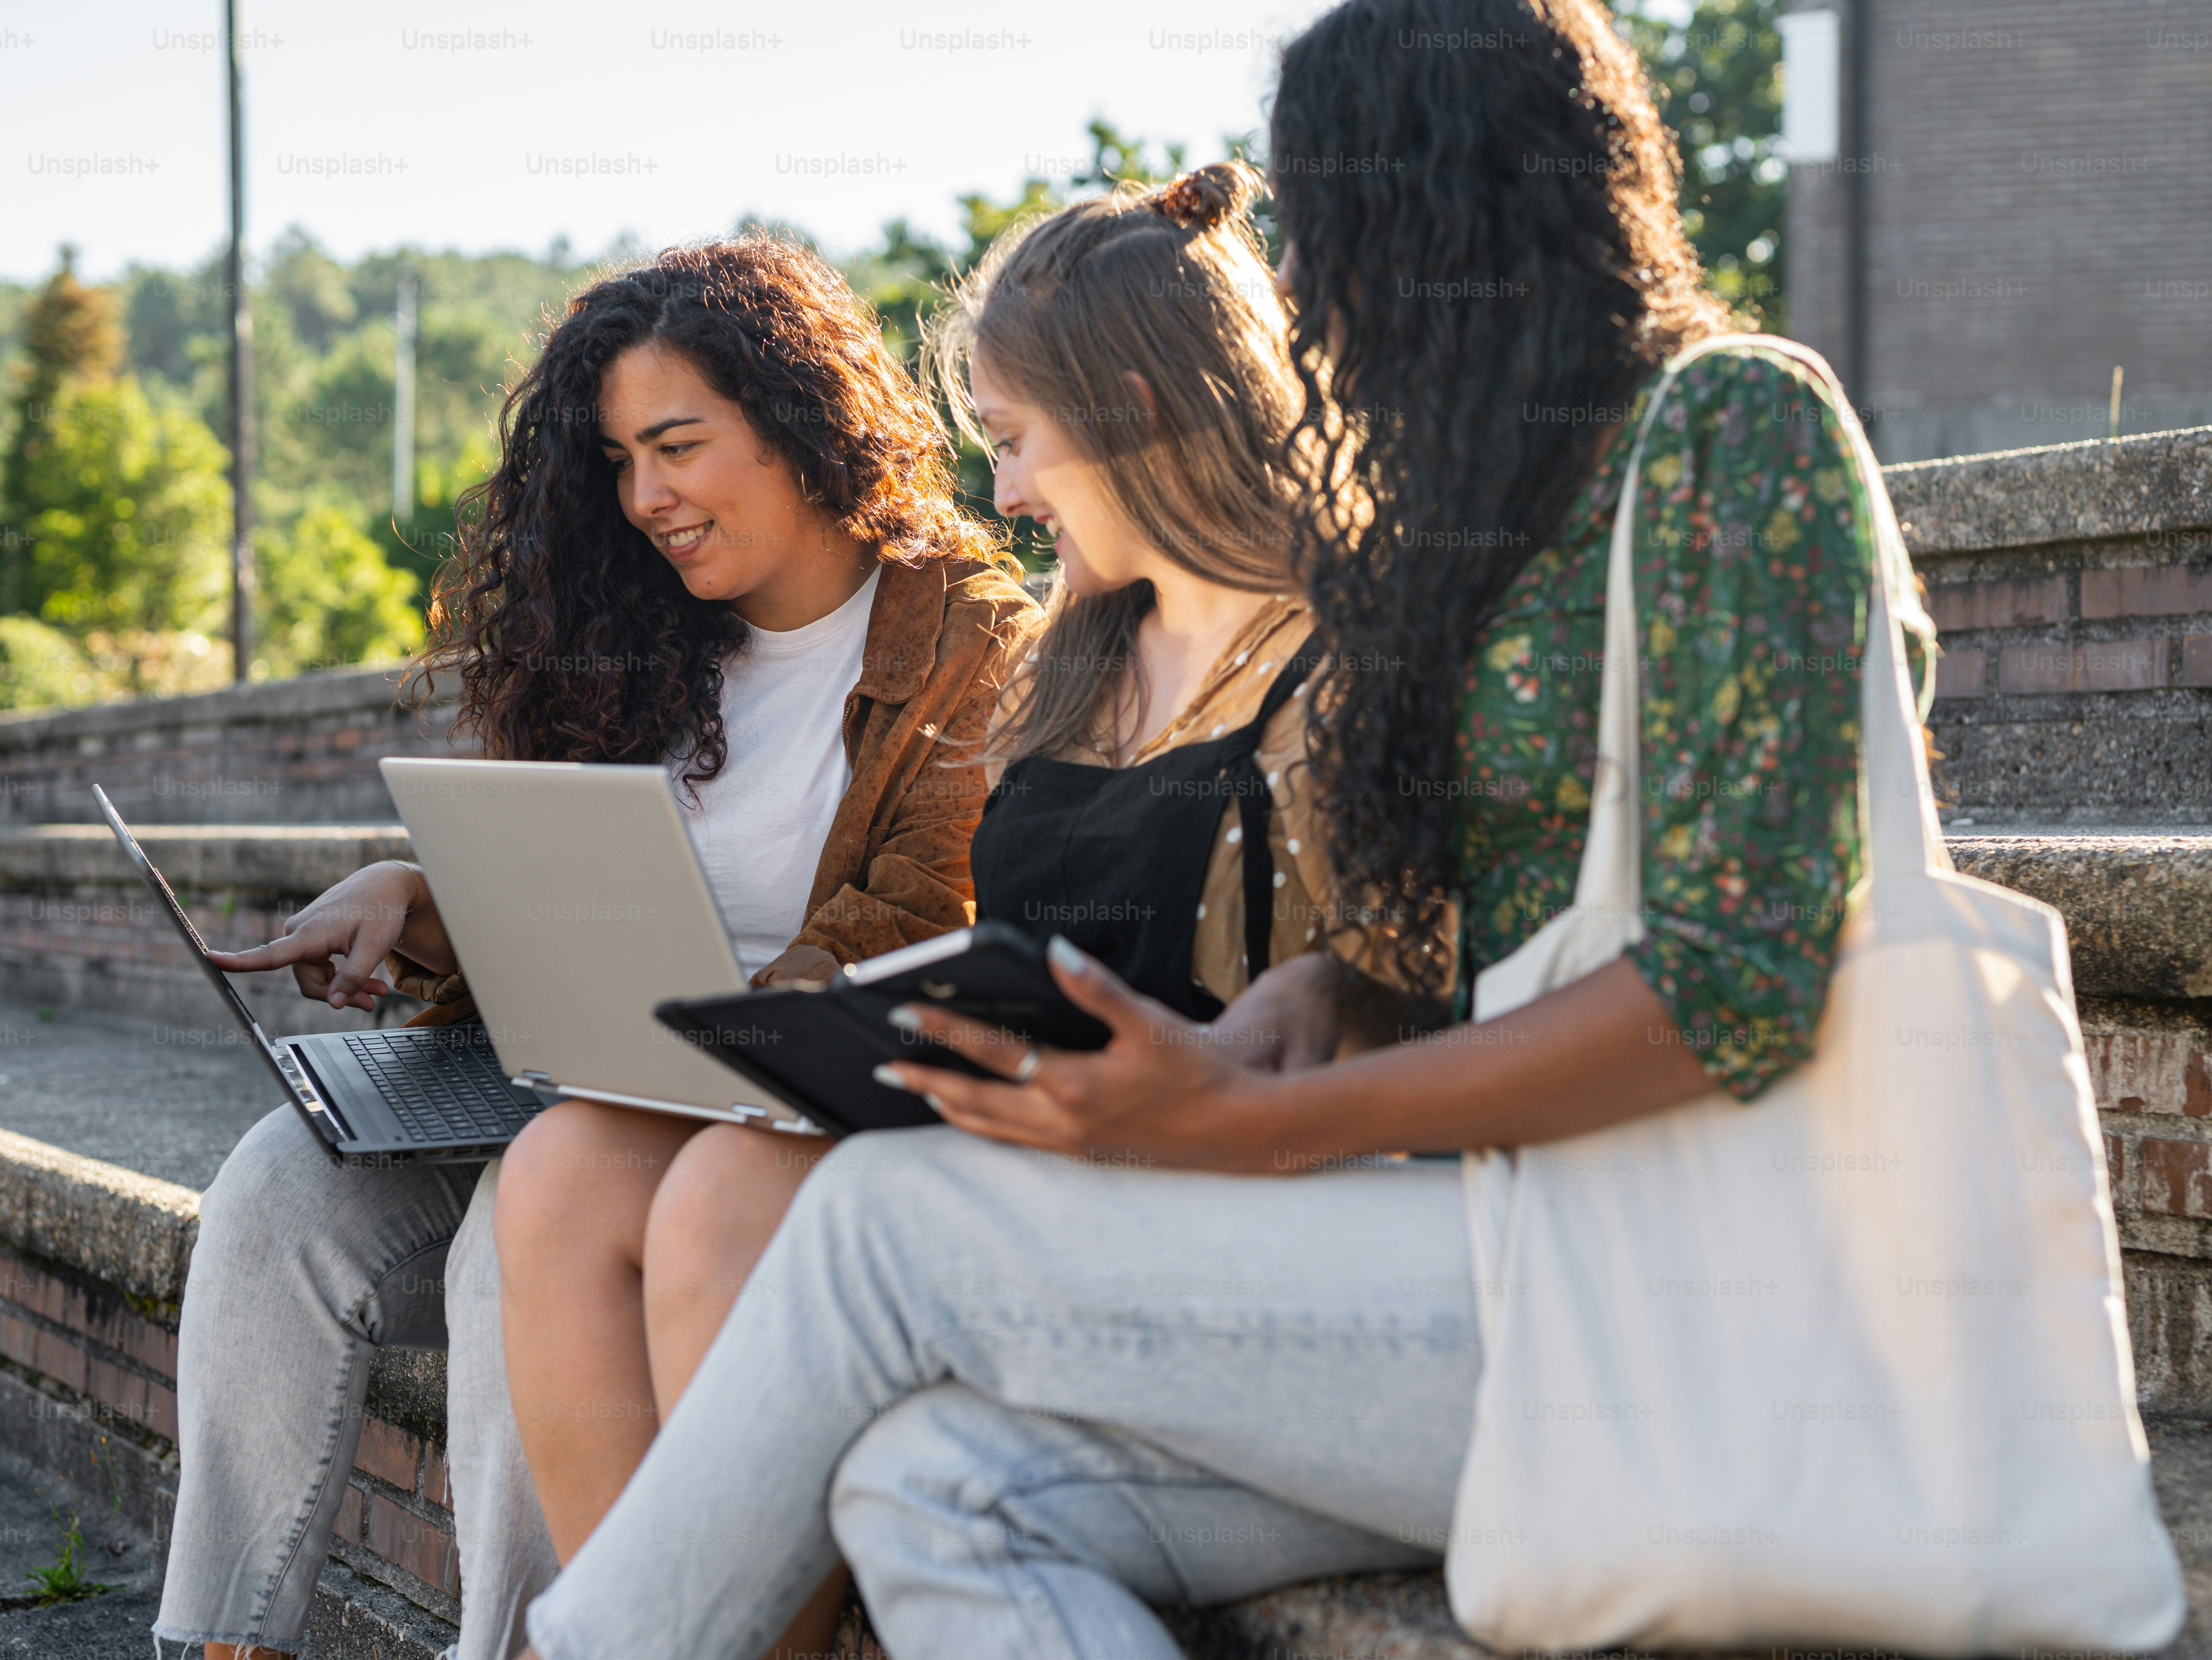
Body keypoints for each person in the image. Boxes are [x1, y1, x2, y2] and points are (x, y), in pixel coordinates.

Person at [512, 1, 1932, 1657]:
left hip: (1689, 1296)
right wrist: (1331, 1004)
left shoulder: (1731, 426)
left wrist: (1240, 1123)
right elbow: (1495, 944)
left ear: (1446, 208)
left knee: (872, 1223)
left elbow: (1735, 988)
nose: (1305, 299)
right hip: (1493, 1266)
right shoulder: (1478, 525)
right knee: (930, 1483)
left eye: (1328, 228)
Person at [489, 161, 1428, 1657]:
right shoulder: (1079, 652)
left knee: (736, 1198)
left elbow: (1352, 1039)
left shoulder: (1354, 657)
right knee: (567, 1173)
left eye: (1014, 441)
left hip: (1222, 1184)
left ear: (1131, 406)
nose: (1000, 494)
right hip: (1033, 1129)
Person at [149, 236, 1035, 1660]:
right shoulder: (632, 637)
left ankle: (513, 1646)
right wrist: (418, 900)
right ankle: (221, 1641)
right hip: (591, 1076)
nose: (647, 500)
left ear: (805, 424)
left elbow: (932, 906)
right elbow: (573, 896)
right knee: (273, 1183)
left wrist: (692, 1028)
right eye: (620, 460)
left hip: (778, 1100)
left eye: (678, 446)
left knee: (525, 1212)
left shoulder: (968, 639)